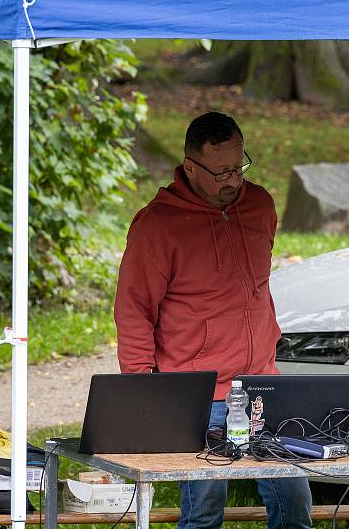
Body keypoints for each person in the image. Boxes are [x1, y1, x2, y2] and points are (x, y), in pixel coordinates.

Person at [114, 112, 312, 529]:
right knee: (204, 509)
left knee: (294, 497)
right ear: (190, 168)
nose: (233, 180)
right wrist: (146, 394)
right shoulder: (157, 226)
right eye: (221, 171)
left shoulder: (260, 204)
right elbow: (133, 312)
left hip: (264, 383)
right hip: (197, 390)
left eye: (239, 167)